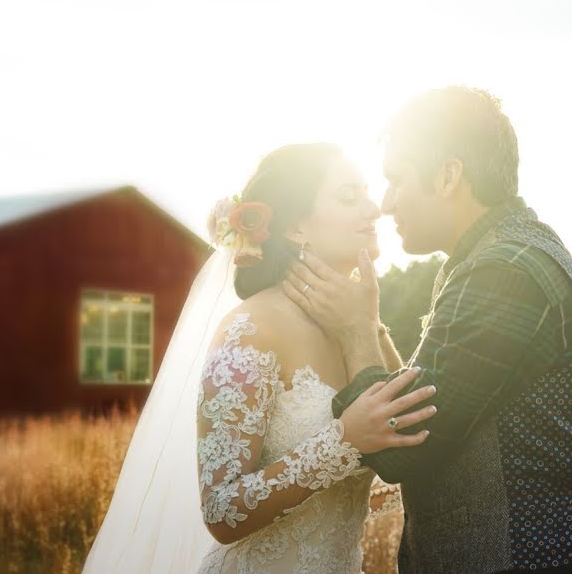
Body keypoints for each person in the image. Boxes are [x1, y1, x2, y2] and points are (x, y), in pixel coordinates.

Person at [284, 87, 572, 574]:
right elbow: (438, 396)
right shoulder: (502, 255)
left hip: (522, 559)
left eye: (396, 180)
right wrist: (369, 321)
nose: (386, 203)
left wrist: (356, 332)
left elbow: (404, 444)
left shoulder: (504, 273)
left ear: (448, 175)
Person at [82, 143, 437, 574]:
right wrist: (344, 440)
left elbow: (402, 452)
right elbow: (220, 508)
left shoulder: (360, 330)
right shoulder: (250, 330)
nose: (373, 209)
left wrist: (367, 324)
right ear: (295, 228)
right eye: (349, 197)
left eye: (367, 193)